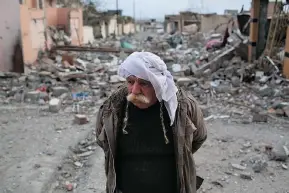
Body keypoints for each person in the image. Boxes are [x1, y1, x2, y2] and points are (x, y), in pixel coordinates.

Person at [96, 51, 207, 193]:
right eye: (130, 81)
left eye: (144, 83)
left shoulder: (183, 107)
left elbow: (198, 138)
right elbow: (103, 141)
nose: (135, 90)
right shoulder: (112, 107)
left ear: (158, 83)